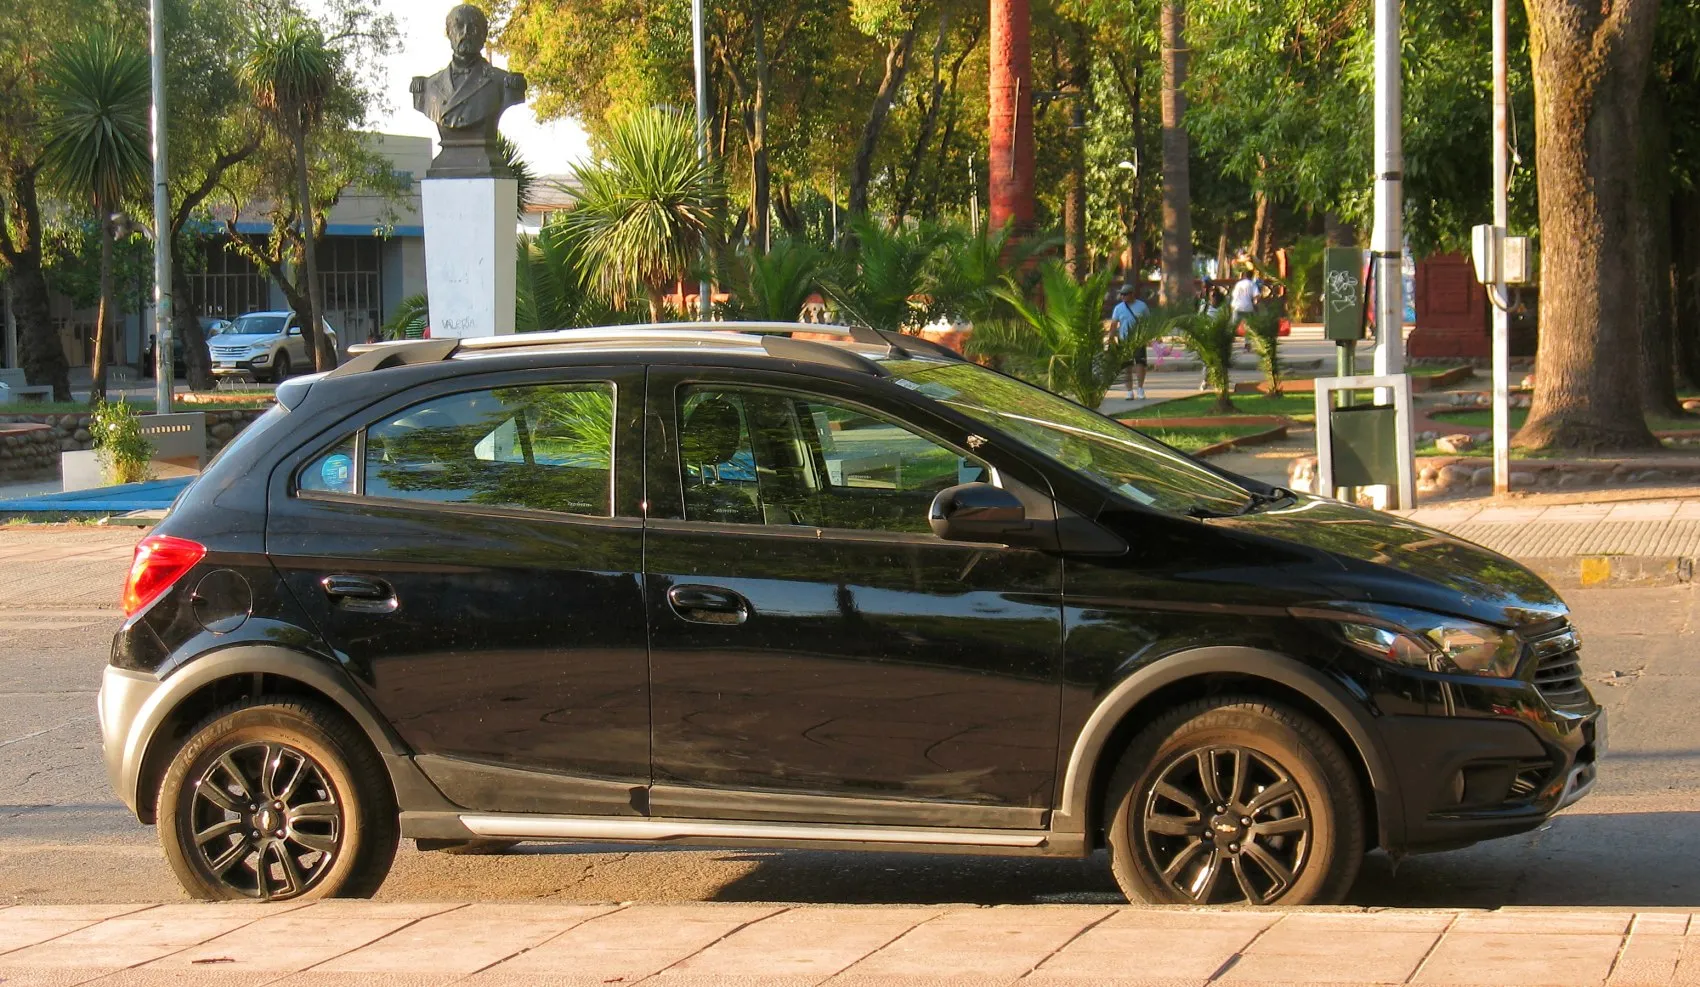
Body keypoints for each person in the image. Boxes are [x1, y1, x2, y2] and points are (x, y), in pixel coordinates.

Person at [1111, 284, 1151, 400]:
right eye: (1121, 294)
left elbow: (1148, 322)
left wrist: (1149, 336)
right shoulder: (1118, 308)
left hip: (1138, 339)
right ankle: (1129, 391)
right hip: (1124, 339)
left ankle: (1140, 388)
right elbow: (1114, 324)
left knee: (1140, 364)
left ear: (1132, 294)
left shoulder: (1142, 306)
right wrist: (1111, 337)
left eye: (1125, 294)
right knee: (1126, 366)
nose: (1123, 296)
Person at [1231, 270, 1259, 352]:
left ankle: (1228, 340)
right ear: (1251, 276)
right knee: (1248, 327)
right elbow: (1257, 296)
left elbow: (1234, 295)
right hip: (1247, 307)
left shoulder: (1238, 284)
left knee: (1233, 325)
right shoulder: (1252, 284)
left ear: (1244, 276)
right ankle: (1247, 344)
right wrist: (1256, 305)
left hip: (1236, 306)